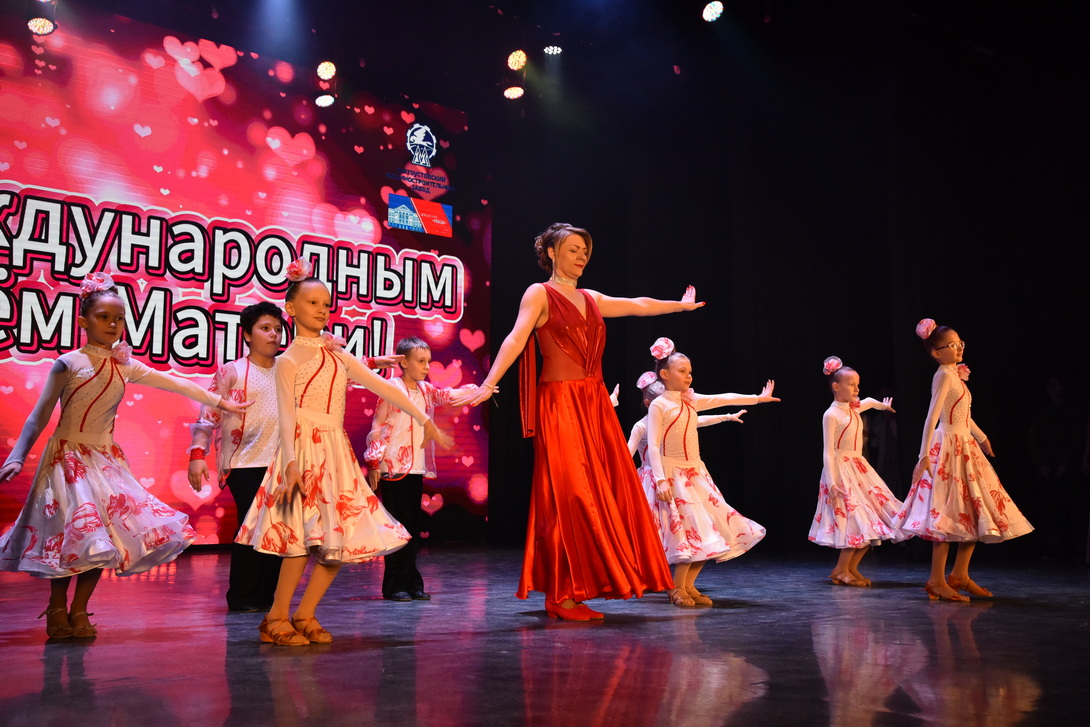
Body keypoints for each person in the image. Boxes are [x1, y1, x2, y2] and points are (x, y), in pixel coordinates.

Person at [460, 223, 703, 621]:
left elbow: (636, 304)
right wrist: (489, 384)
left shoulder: (591, 298)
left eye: (585, 251)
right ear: (552, 253)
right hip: (560, 402)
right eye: (573, 249)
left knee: (600, 492)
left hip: (594, 404)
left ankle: (575, 589)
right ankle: (560, 594)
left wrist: (678, 306)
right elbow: (516, 338)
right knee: (568, 494)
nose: (581, 256)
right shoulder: (539, 293)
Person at [0, 273, 250, 639]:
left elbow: (175, 381)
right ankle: (56, 606)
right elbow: (39, 415)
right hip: (67, 459)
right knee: (70, 534)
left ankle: (79, 609)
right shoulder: (68, 363)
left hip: (105, 460)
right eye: (103, 317)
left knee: (101, 538)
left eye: (118, 318)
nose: (112, 324)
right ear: (83, 321)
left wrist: (221, 402)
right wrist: (17, 457)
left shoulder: (125, 365)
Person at [235, 260, 453, 645]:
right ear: (291, 308)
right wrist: (290, 463)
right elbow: (286, 415)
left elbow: (384, 388)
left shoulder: (338, 355)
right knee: (298, 541)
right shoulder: (288, 361)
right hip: (300, 452)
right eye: (313, 303)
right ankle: (275, 617)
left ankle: (305, 613)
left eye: (326, 304)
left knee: (338, 542)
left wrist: (425, 420)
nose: (322, 309)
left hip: (335, 453)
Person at [897, 319, 1033, 601]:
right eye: (952, 345)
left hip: (964, 444)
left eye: (960, 343)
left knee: (972, 509)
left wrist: (982, 438)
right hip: (948, 446)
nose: (959, 348)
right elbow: (932, 417)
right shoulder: (944, 376)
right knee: (947, 512)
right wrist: (924, 455)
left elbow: (964, 416)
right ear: (937, 353)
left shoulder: (955, 375)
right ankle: (936, 580)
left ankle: (959, 574)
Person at [643, 337, 777, 607]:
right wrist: (660, 480)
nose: (688, 376)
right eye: (682, 371)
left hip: (695, 474)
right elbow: (654, 445)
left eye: (690, 372)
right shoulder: (660, 405)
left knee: (708, 530)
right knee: (688, 532)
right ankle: (676, 588)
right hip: (673, 475)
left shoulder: (690, 401)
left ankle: (688, 586)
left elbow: (722, 398)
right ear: (665, 375)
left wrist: (758, 399)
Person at [364, 336, 481, 602]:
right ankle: (394, 585)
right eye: (421, 361)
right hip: (393, 467)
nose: (427, 366)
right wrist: (373, 461)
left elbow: (449, 395)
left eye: (428, 361)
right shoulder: (390, 388)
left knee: (412, 529)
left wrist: (480, 390)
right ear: (404, 363)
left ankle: (412, 582)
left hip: (415, 467)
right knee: (398, 528)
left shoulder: (426, 391)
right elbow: (378, 427)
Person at [187, 302, 286, 612]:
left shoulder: (288, 370)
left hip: (281, 462)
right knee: (251, 524)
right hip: (243, 462)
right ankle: (242, 596)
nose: (273, 335)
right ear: (247, 335)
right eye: (265, 328)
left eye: (278, 329)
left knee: (277, 527)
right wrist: (197, 454)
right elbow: (208, 415)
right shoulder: (232, 371)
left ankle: (266, 597)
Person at [808, 356, 905, 587]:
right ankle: (842, 569)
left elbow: (869, 401)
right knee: (857, 521)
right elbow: (828, 451)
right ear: (836, 386)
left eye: (858, 384)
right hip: (841, 471)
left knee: (874, 521)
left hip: (860, 469)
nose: (857, 389)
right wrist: (832, 482)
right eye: (851, 384)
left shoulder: (855, 407)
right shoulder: (831, 414)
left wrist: (883, 406)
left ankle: (849, 568)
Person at [628, 374, 744, 512]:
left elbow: (696, 421)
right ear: (648, 404)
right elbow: (626, 455)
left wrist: (726, 417)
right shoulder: (641, 426)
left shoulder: (671, 418)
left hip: (674, 474)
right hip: (653, 479)